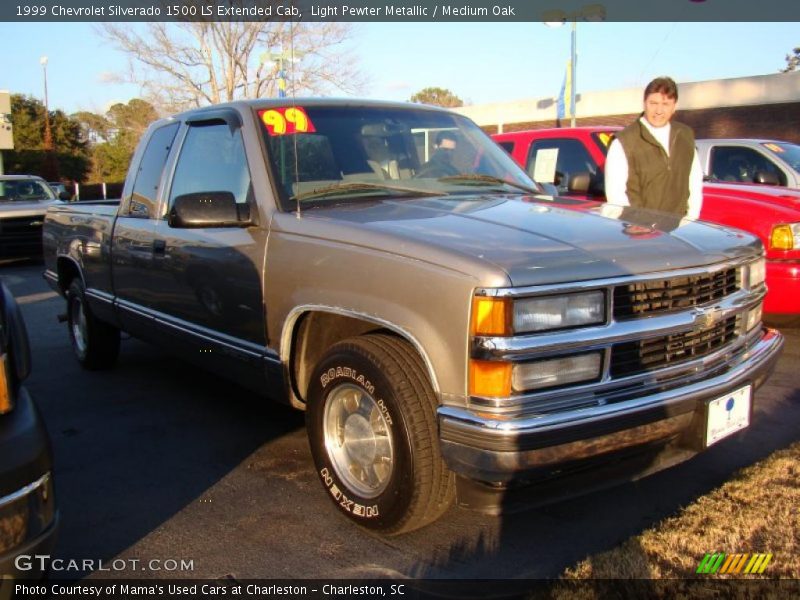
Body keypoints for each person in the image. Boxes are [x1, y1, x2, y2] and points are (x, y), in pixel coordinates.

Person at [605, 76, 703, 220]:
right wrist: (635, 225)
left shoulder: (685, 136)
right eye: (653, 103)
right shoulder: (623, 141)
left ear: (674, 106)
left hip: (678, 231)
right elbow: (616, 196)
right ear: (644, 103)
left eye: (665, 104)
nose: (659, 110)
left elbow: (694, 180)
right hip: (638, 233)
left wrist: (690, 218)